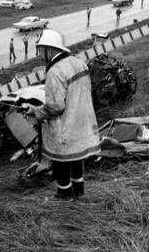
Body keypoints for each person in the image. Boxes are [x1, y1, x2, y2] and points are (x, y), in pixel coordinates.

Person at [22, 29, 101, 202]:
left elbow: (55, 106)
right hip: (82, 120)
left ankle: (64, 194)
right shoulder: (79, 62)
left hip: (64, 125)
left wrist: (36, 111)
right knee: (76, 156)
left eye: (41, 50)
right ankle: (78, 191)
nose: (40, 54)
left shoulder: (54, 71)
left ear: (50, 50)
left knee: (60, 160)